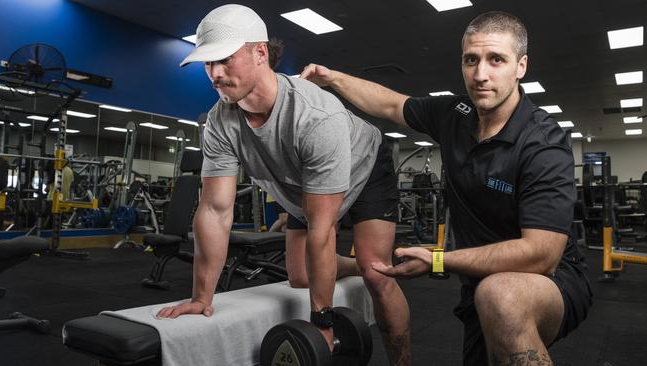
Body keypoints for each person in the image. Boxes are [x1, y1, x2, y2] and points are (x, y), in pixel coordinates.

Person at [300, 11, 592, 366]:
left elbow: (541, 254)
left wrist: (438, 258)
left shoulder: (542, 143)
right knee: (487, 313)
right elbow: (391, 103)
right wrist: (333, 79)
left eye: (496, 60)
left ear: (521, 66)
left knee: (499, 294)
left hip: (551, 279)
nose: (480, 75)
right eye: (472, 60)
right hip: (478, 282)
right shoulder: (456, 113)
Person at [156, 4, 410, 364]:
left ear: (260, 52)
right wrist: (202, 298)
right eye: (208, 63)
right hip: (304, 185)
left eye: (225, 60)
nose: (214, 73)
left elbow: (323, 228)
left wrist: (322, 321)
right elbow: (214, 210)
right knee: (300, 276)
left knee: (378, 276)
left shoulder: (315, 116)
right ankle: (353, 264)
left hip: (365, 166)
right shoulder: (219, 122)